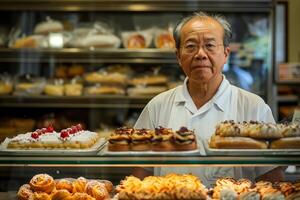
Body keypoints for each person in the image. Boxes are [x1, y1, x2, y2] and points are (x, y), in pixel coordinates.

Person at [134, 11, 284, 186]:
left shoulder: (254, 106)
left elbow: (271, 178)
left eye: (210, 45)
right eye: (191, 46)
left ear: (226, 54)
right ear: (178, 56)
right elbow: (141, 173)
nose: (200, 54)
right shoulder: (157, 106)